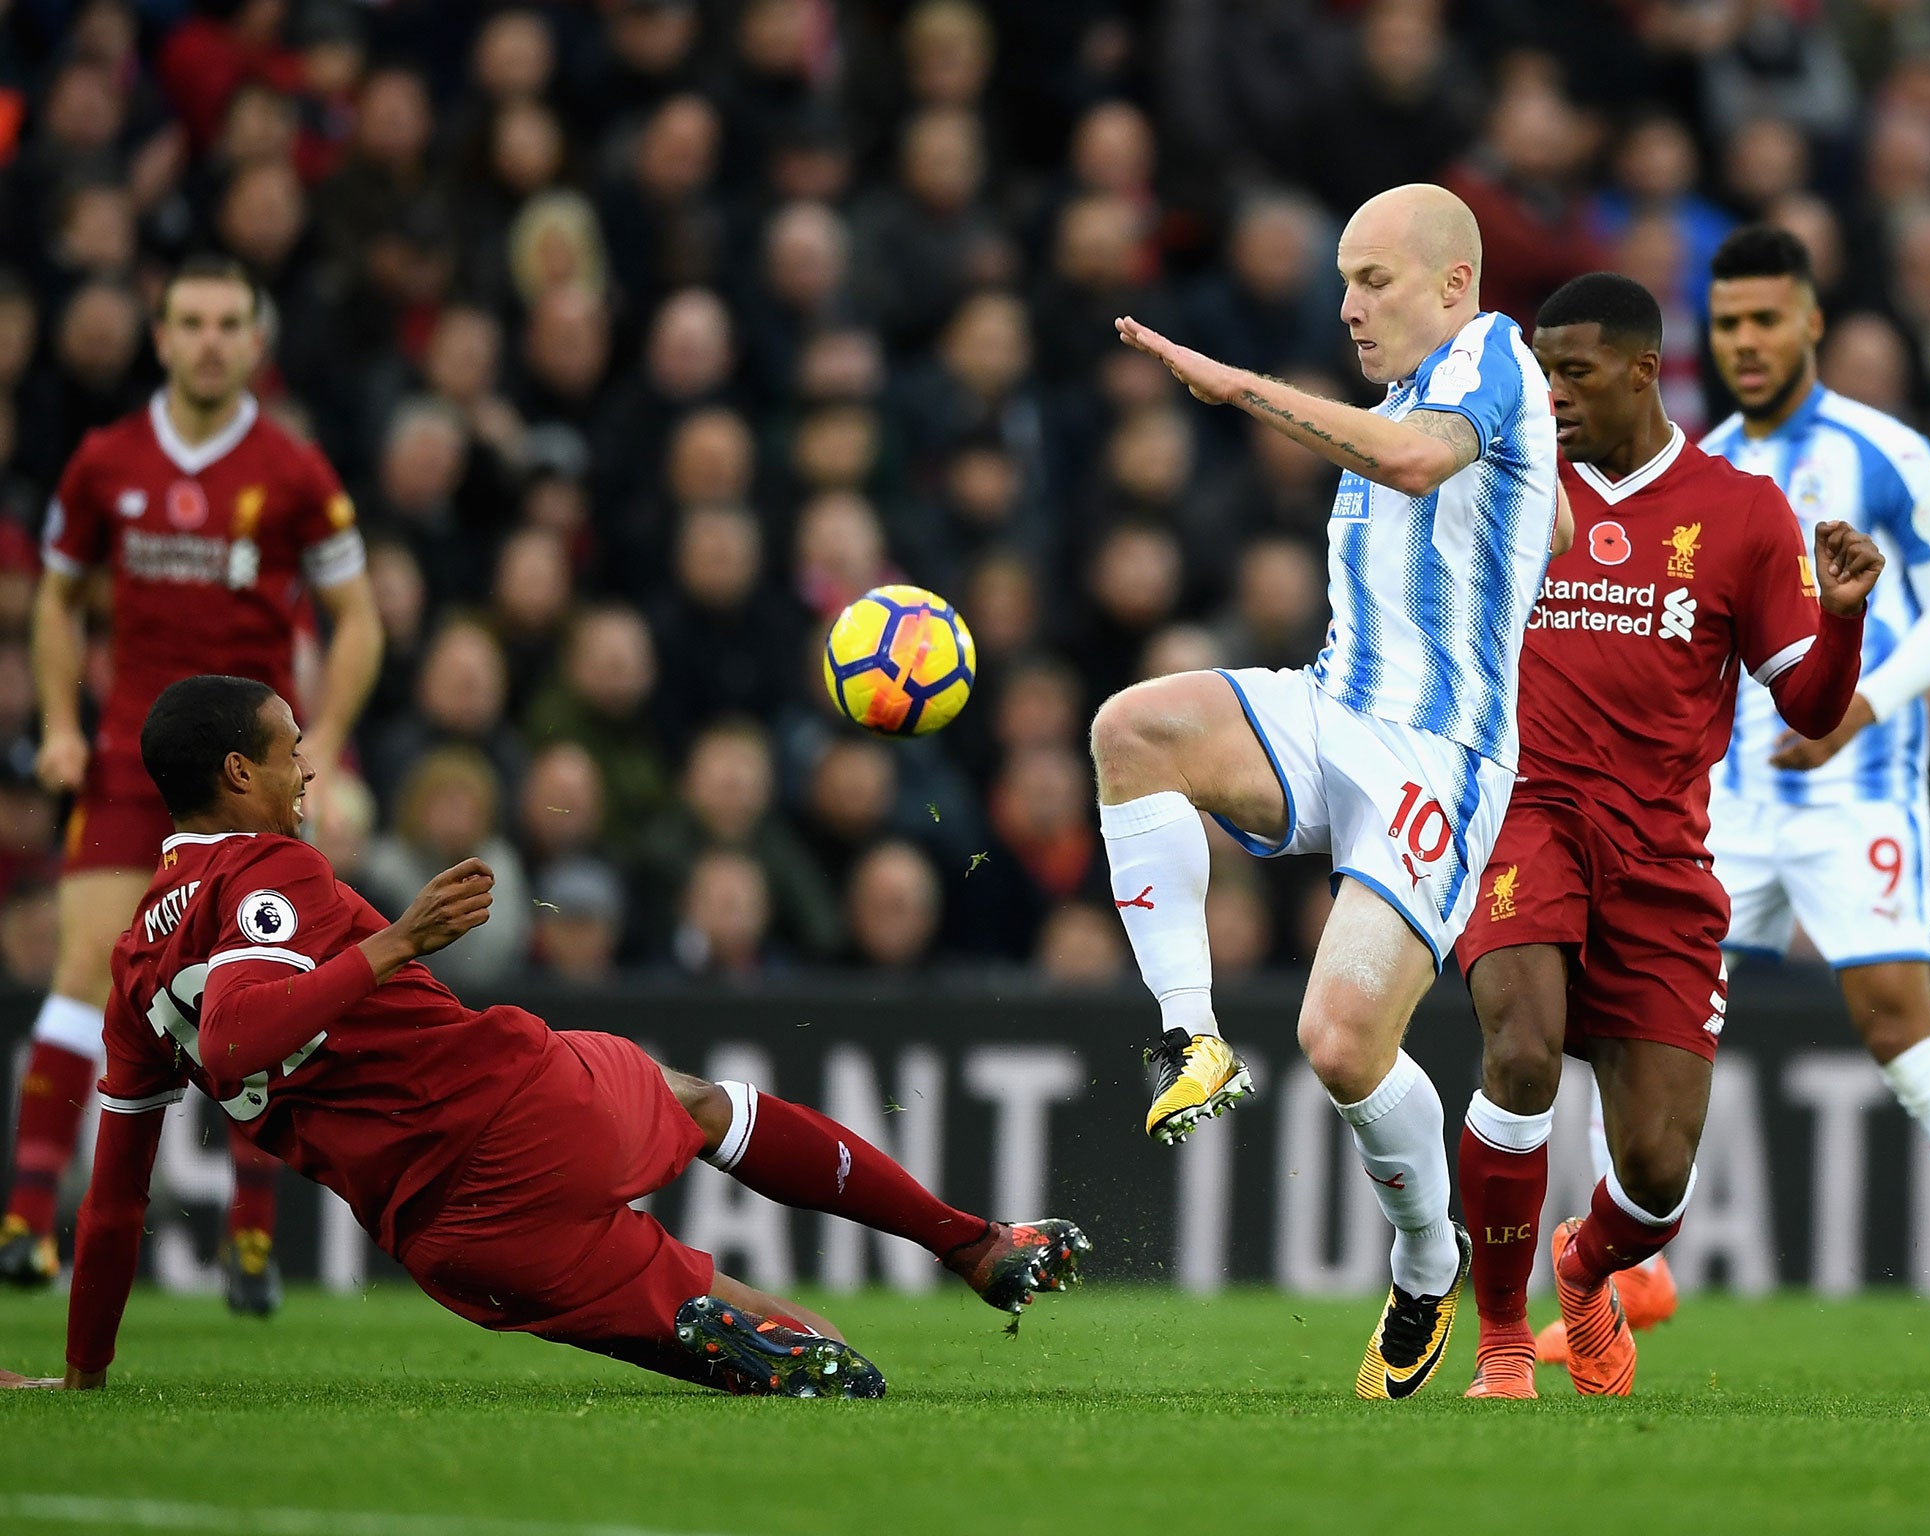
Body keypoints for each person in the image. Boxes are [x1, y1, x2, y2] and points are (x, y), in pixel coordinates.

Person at [1, 676, 1088, 1398]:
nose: (308, 772)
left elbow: (116, 1197)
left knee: (800, 1355)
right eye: (291, 752)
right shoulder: (269, 869)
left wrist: (84, 1374)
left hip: (451, 1238)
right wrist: (397, 942)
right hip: (521, 1111)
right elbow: (240, 1036)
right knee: (700, 1104)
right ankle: (970, 1243)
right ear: (238, 775)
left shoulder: (134, 976)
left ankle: (738, 1333)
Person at [1547, 224, 1930, 1380]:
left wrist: (1857, 712)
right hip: (1722, 802)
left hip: (1856, 790)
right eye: (1727, 325)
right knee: (1620, 1012)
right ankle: (1627, 1255)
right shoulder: (1700, 465)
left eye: (1767, 320)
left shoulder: (1885, 453)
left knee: (1889, 1018)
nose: (1747, 342)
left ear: (1812, 321)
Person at [1097, 184, 1564, 1400]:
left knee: (1339, 1045)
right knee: (1134, 729)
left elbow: (1416, 466)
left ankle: (1425, 1259)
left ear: (1453, 285)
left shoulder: (1494, 357)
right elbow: (1545, 522)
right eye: (1344, 281)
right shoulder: (1416, 402)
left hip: (1438, 758)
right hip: (1328, 708)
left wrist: (1235, 384)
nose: (1347, 306)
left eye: (1374, 280)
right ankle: (1187, 1037)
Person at [1453, 273, 1882, 1399]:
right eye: (1540, 373)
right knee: (1519, 1054)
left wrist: (1838, 621)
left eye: (1574, 374)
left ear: (1644, 373)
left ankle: (1586, 1268)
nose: (1549, 396)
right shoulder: (1506, 484)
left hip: (1659, 861)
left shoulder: (1738, 513)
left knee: (1653, 1177)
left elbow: (1809, 707)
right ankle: (1501, 1344)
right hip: (1522, 817)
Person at [0, 256, 383, 1317]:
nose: (210, 340)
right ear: (159, 338)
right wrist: (64, 725)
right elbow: (56, 600)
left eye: (229, 323)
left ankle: (251, 1240)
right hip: (130, 755)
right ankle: (28, 1222)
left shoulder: (297, 472)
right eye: (191, 322)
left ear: (255, 343)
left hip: (251, 769)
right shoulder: (103, 462)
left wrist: (329, 746)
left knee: (253, 980)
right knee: (87, 959)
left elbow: (359, 619)